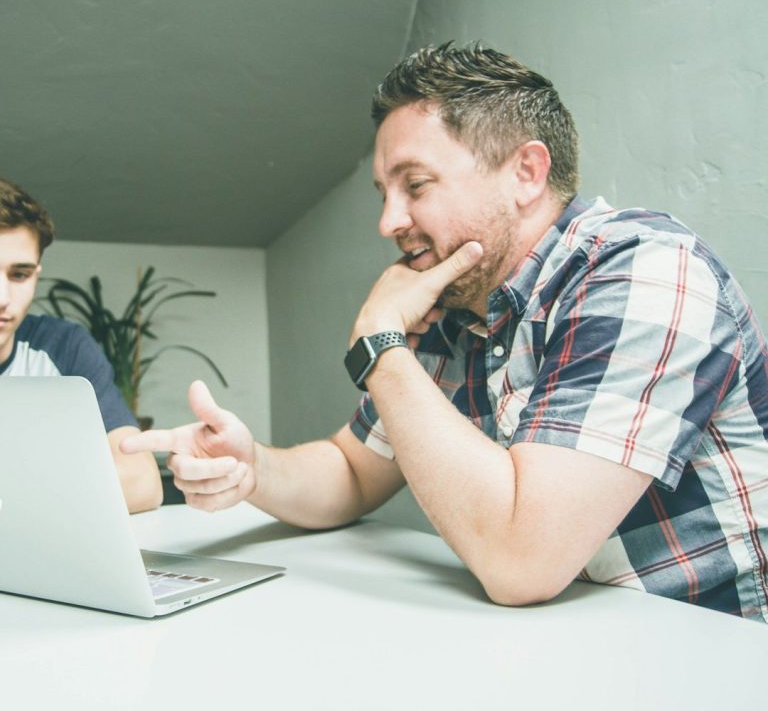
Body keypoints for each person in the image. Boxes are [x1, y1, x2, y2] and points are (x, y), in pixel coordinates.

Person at [123, 43, 768, 621]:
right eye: (384, 192)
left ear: (526, 173)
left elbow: (522, 561)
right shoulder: (457, 308)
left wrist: (380, 342)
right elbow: (352, 470)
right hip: (568, 642)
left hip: (715, 652)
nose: (388, 221)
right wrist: (254, 468)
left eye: (416, 185)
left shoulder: (645, 271)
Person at [0, 178, 162, 513]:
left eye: (19, 275)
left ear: (36, 274)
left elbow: (142, 481)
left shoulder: (63, 346)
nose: (2, 299)